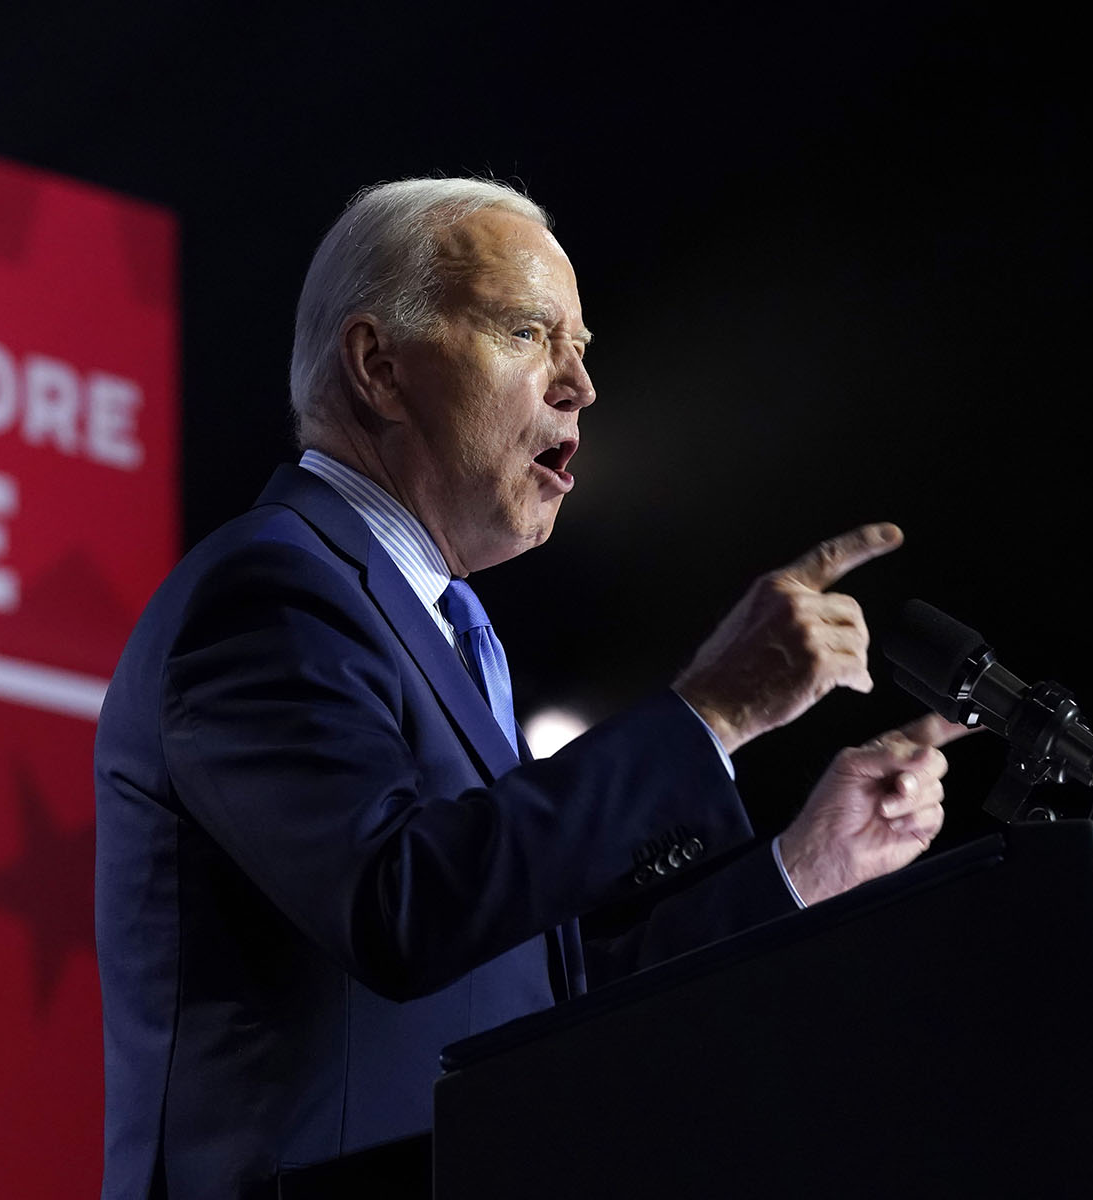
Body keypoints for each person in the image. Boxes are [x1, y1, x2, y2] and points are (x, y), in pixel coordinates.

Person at [93, 178, 962, 1200]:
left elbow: (553, 999)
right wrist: (714, 712)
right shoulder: (270, 592)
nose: (580, 386)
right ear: (377, 367)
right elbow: (399, 904)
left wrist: (803, 869)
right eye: (528, 332)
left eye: (583, 348)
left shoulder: (452, 637)